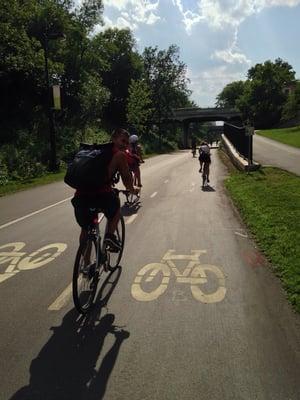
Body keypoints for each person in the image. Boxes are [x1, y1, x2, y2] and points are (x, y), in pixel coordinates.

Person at [71, 128, 139, 252]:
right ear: (113, 139)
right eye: (122, 141)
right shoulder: (119, 155)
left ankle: (85, 265)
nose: (125, 145)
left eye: (126, 142)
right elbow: (127, 179)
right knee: (117, 210)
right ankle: (110, 236)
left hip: (80, 197)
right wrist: (133, 190)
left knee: (86, 229)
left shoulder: (95, 152)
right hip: (101, 195)